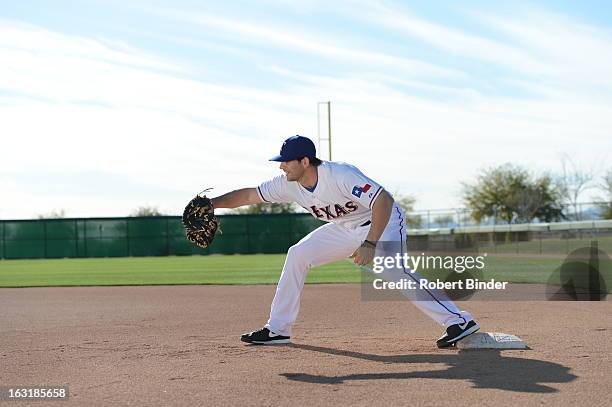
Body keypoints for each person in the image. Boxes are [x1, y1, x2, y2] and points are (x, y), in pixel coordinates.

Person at [211, 135, 479, 348]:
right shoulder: (287, 184)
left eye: (287, 161)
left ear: (305, 161)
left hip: (381, 221)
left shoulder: (339, 174)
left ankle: (459, 321)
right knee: (298, 255)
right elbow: (248, 196)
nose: (282, 166)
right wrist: (212, 204)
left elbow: (382, 200)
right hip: (345, 227)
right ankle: (277, 330)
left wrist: (371, 243)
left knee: (391, 268)